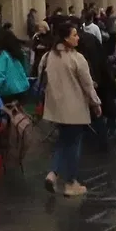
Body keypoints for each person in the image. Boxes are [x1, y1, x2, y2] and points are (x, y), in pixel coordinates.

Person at [39, 20, 100, 197]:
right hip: (75, 107)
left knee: (63, 141)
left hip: (56, 107)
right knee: (74, 144)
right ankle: (71, 182)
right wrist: (96, 104)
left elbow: (41, 76)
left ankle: (53, 173)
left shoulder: (48, 56)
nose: (78, 38)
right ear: (66, 38)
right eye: (74, 35)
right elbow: (88, 85)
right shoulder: (77, 58)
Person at [0, 28, 31, 102]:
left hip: (9, 91)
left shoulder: (3, 55)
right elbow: (26, 69)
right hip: (23, 87)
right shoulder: (18, 53)